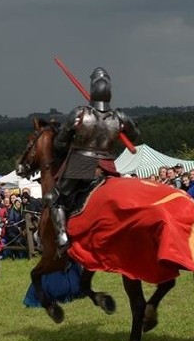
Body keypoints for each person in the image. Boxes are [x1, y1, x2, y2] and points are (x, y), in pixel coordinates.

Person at [49, 66, 140, 251]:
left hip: (82, 163)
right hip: (108, 165)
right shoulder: (119, 116)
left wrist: (72, 133)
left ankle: (62, 239)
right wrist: (123, 128)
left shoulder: (80, 114)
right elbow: (136, 137)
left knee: (55, 197)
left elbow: (59, 143)